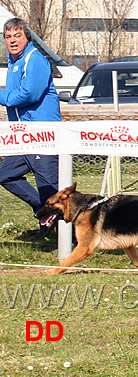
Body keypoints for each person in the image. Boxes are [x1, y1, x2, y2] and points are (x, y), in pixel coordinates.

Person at [0, 17, 61, 237]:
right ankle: (44, 211)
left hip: (42, 135)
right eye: (8, 37)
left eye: (17, 36)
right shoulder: (14, 63)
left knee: (51, 191)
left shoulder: (35, 59)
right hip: (21, 137)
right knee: (6, 175)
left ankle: (72, 240)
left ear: (27, 37)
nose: (13, 40)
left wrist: (1, 95)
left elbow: (27, 95)